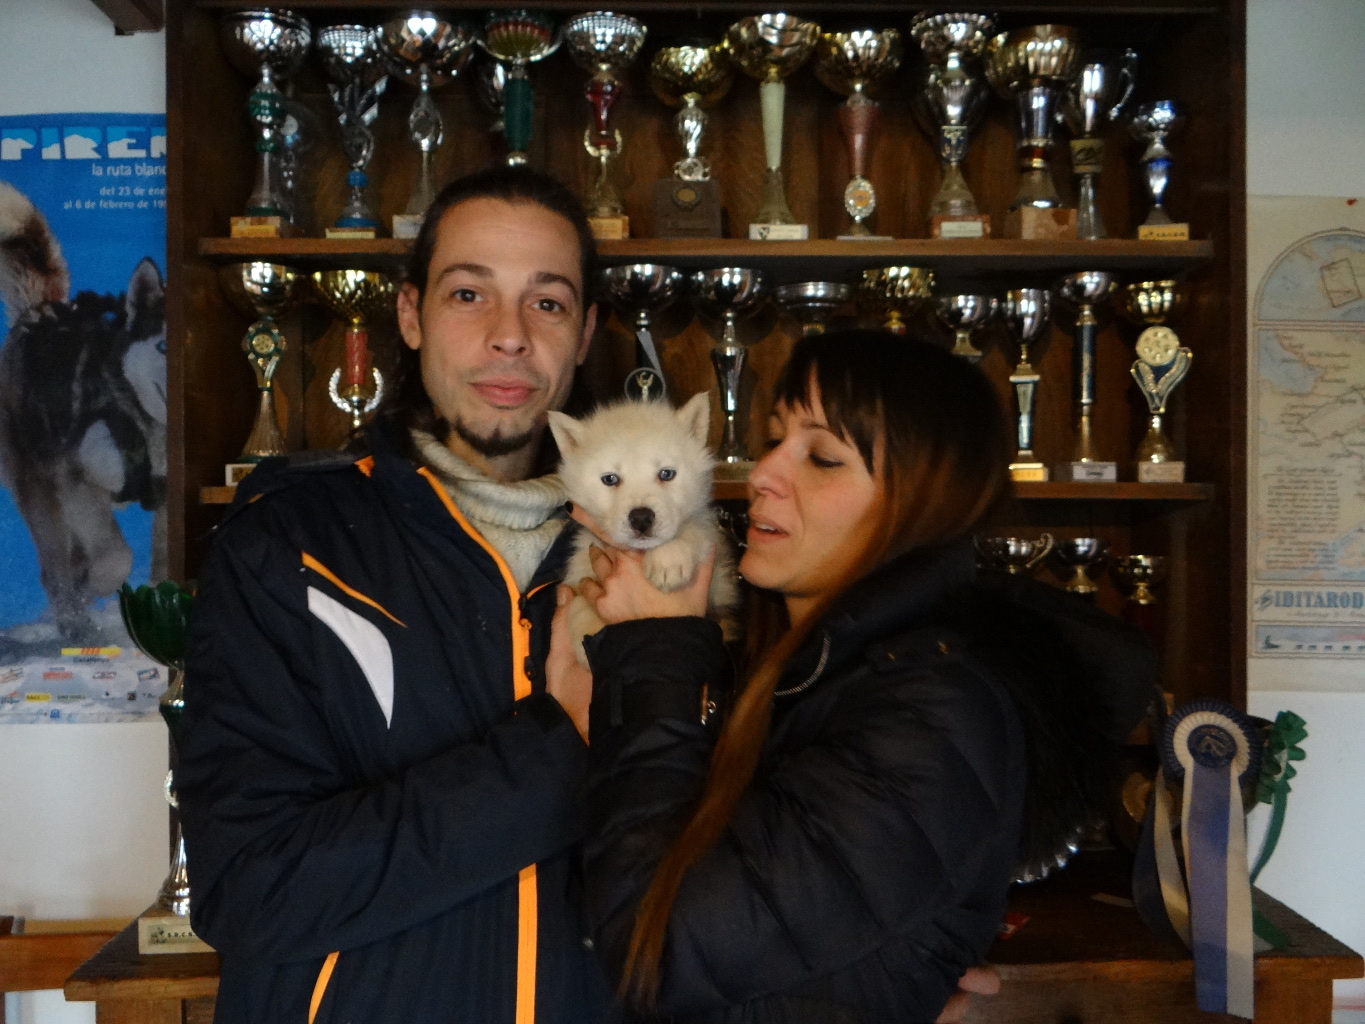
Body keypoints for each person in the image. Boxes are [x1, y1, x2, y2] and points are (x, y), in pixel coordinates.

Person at [560, 329, 1156, 1023]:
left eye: (821, 457)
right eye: (773, 439)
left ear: (919, 500)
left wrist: (652, 651)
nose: (762, 472)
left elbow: (654, 954)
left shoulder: (932, 715)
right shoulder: (793, 667)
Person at [178, 165, 610, 1024]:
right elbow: (250, 887)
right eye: (468, 295)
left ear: (586, 332)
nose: (510, 336)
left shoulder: (651, 558)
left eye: (548, 302)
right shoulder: (292, 543)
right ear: (410, 315)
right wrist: (558, 750)